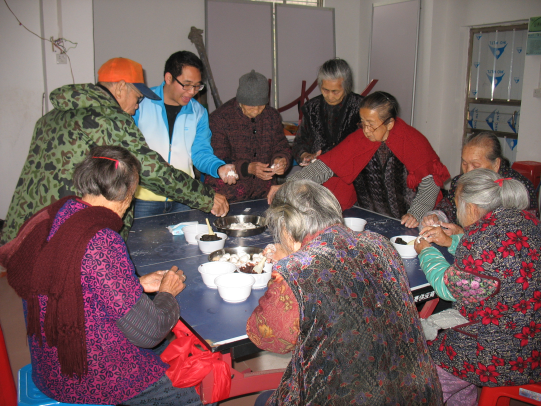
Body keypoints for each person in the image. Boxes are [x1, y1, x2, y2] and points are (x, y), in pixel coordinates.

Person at [0, 146, 201, 406]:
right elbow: (148, 332)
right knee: (191, 392)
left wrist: (134, 284)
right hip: (89, 376)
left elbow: (66, 281)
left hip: (48, 367)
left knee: (168, 350)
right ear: (128, 192)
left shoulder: (52, 216)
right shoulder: (101, 240)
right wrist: (167, 293)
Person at [247, 180, 443, 406]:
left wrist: (283, 269)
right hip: (417, 393)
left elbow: (269, 338)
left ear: (286, 228)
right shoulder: (380, 243)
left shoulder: (296, 269)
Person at [0, 57, 228, 245]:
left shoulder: (49, 118)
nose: (137, 107)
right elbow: (150, 169)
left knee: (38, 296)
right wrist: (206, 197)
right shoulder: (109, 120)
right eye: (137, 98)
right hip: (67, 233)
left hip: (28, 230)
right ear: (120, 87)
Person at [414, 169, 541, 405]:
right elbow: (498, 266)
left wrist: (426, 251)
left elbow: (447, 287)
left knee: (418, 376)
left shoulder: (483, 240)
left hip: (499, 353)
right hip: (531, 342)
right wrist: (453, 240)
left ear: (471, 207)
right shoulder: (526, 221)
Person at [269, 91, 450, 228]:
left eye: (371, 125)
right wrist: (289, 184)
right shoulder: (360, 139)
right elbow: (325, 166)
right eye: (363, 123)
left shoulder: (413, 141)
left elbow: (430, 181)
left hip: (409, 219)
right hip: (370, 217)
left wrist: (416, 214)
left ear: (390, 123)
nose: (366, 130)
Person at [133, 51, 236, 217]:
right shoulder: (140, 104)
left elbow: (201, 153)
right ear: (168, 78)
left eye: (197, 86)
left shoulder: (198, 112)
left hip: (184, 198)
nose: (192, 91)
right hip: (143, 199)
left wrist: (219, 167)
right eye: (186, 84)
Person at [204, 70, 292, 202]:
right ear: (240, 100)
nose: (256, 111)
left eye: (261, 106)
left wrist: (281, 160)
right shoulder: (220, 118)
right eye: (251, 106)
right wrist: (248, 168)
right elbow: (218, 159)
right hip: (227, 196)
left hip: (263, 194)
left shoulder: (272, 116)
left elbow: (282, 146)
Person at [422, 131, 539, 229]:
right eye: (464, 163)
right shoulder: (460, 182)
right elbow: (448, 207)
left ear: (496, 164)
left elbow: (519, 233)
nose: (468, 171)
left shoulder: (518, 188)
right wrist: (436, 217)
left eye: (476, 165)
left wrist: (462, 236)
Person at [292, 58, 364, 205]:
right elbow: (300, 142)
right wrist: (305, 155)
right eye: (325, 90)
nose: (330, 96)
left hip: (353, 183)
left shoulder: (361, 108)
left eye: (336, 91)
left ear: (347, 86)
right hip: (318, 183)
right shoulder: (312, 108)